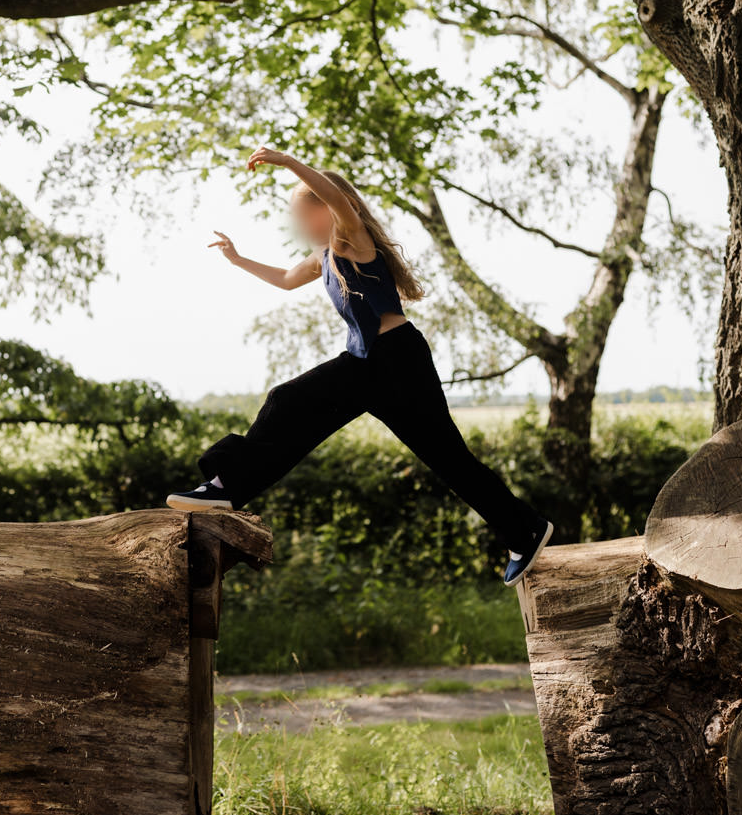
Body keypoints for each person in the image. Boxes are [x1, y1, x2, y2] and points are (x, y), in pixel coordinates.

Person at [166, 146, 554, 586]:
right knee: (289, 403)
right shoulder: (322, 257)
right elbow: (286, 280)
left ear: (324, 209)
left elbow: (339, 200)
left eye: (302, 212)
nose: (297, 223)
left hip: (398, 362)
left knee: (450, 461)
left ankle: (525, 530)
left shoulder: (350, 238)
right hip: (364, 364)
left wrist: (290, 163)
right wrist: (237, 259)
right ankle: (225, 488)